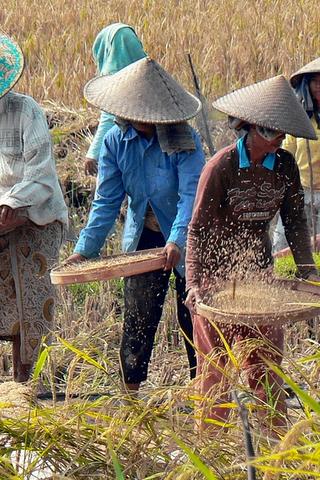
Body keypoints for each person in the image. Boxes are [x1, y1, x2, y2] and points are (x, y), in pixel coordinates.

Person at [185, 75, 319, 434]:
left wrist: (308, 272)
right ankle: (210, 450)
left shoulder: (286, 166)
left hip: (259, 276)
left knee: (267, 370)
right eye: (274, 133)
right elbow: (196, 230)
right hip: (216, 280)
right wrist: (195, 284)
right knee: (216, 373)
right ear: (252, 128)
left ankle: (277, 451)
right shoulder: (221, 167)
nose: (281, 140)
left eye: (284, 134)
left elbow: (294, 223)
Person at [67, 57, 205, 392]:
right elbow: (107, 200)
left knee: (194, 316)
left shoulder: (185, 141)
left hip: (188, 235)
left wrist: (176, 240)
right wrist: (85, 249)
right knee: (139, 318)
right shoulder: (115, 141)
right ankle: (132, 395)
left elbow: (191, 196)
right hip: (144, 232)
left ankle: (203, 393)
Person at [0, 34, 68, 382]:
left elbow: (41, 175)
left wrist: (11, 203)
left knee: (30, 309)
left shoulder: (26, 111)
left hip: (36, 218)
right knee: (3, 308)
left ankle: (25, 390)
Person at [84, 23, 146, 176]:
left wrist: (93, 153)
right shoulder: (149, 71)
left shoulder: (114, 77)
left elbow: (110, 116)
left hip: (129, 149)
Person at [273, 58, 320, 253]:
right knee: (284, 246)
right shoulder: (298, 119)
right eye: (315, 81)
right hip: (300, 190)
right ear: (307, 84)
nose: (319, 86)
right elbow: (286, 154)